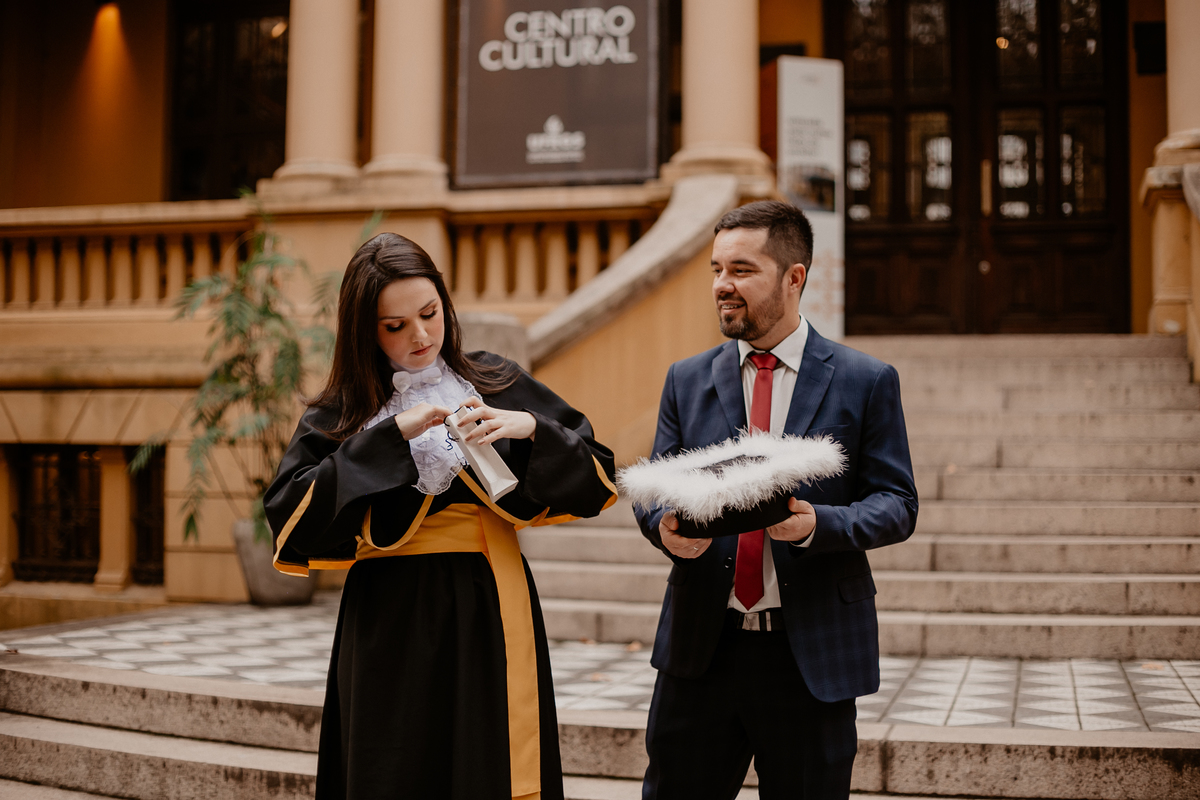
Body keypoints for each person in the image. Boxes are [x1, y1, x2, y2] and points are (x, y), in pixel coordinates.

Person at [264, 232, 617, 800]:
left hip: (489, 604)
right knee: (392, 768)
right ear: (363, 330)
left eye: (430, 314)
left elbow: (599, 472)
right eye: (395, 325)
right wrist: (385, 441)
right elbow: (289, 516)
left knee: (489, 763)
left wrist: (530, 428)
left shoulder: (494, 379)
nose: (421, 336)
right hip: (386, 614)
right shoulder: (346, 409)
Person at [635, 201, 917, 800]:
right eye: (717, 269)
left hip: (810, 655)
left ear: (794, 277)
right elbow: (652, 490)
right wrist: (663, 526)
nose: (722, 285)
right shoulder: (686, 379)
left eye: (742, 270)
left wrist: (819, 525)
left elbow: (897, 503)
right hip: (701, 649)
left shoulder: (865, 379)